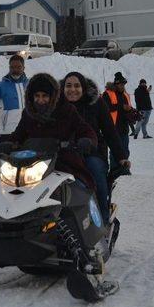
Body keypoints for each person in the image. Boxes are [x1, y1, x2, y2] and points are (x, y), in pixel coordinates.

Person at [9, 73, 98, 193]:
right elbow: (19, 134)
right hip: (32, 165)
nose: (40, 100)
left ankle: (93, 210)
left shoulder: (66, 110)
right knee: (9, 186)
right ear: (31, 96)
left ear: (53, 96)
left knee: (80, 190)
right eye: (37, 96)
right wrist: (9, 142)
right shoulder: (28, 114)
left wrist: (87, 140)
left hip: (63, 162)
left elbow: (84, 129)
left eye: (45, 96)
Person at [61, 72, 130, 220]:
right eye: (68, 86)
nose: (72, 89)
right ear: (62, 88)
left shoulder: (96, 103)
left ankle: (102, 219)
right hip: (63, 154)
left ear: (84, 87)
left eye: (77, 86)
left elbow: (110, 131)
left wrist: (121, 157)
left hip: (92, 153)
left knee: (96, 173)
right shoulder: (57, 105)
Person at [102, 72, 134, 172]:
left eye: (123, 84)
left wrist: (133, 112)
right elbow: (104, 108)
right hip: (112, 128)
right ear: (116, 84)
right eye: (120, 84)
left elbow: (128, 108)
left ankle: (124, 170)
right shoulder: (107, 94)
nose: (122, 86)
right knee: (115, 152)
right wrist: (121, 107)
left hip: (124, 128)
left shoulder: (125, 95)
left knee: (125, 151)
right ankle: (115, 171)